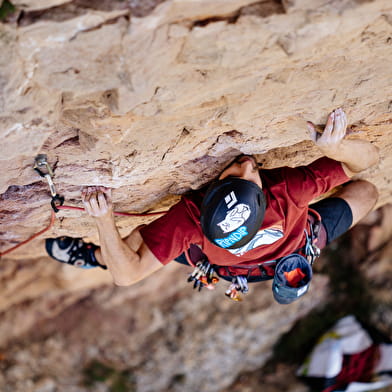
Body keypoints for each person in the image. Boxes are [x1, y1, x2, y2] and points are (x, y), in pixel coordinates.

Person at [46, 108, 379, 303]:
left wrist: (339, 148)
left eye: (248, 176)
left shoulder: (285, 192)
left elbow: (127, 274)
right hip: (279, 251)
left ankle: (92, 256)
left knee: (131, 245)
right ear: (212, 194)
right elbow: (364, 162)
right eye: (240, 175)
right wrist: (339, 154)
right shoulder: (284, 191)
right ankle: (92, 257)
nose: (248, 164)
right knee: (131, 242)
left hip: (274, 249)